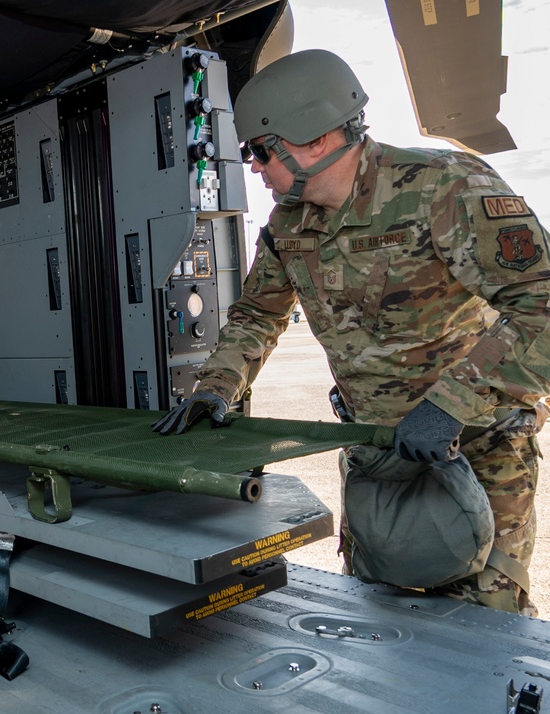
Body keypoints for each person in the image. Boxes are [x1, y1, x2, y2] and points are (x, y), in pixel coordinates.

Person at [152, 50, 550, 616]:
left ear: (310, 139)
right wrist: (216, 387)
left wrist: (451, 405)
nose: (256, 170)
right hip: (378, 456)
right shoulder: (290, 224)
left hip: (476, 453)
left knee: (483, 632)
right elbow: (257, 314)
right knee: (378, 619)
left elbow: (542, 307)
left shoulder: (444, 189)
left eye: (260, 152)